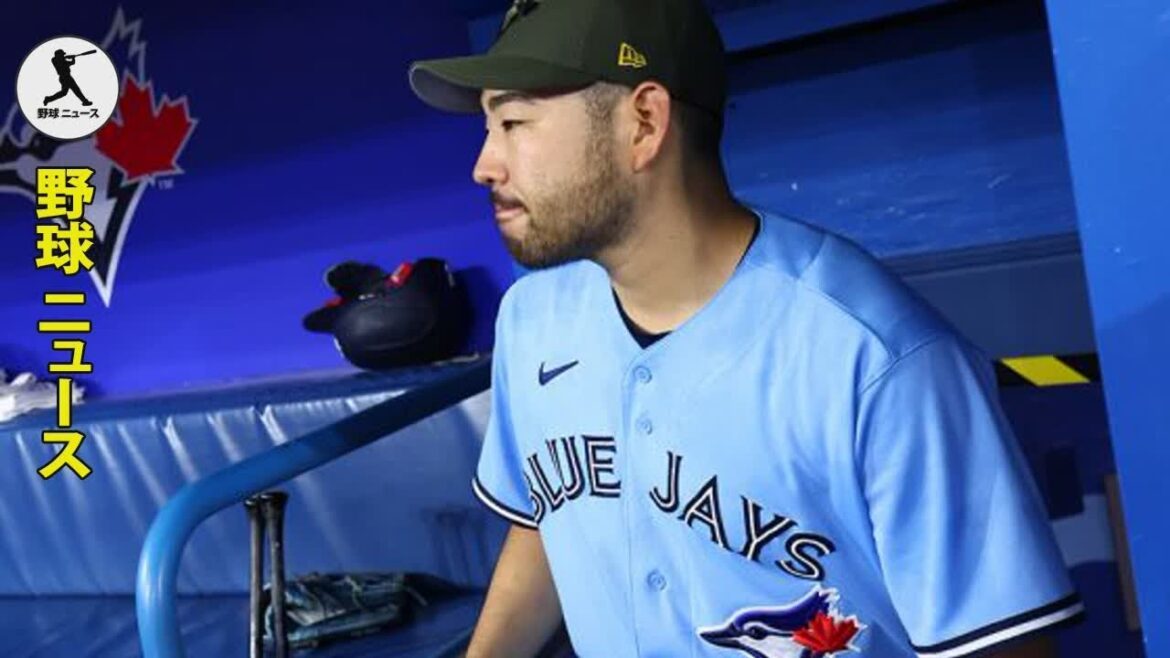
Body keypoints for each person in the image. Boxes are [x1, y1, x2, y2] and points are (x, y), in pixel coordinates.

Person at [407, 0, 1084, 656]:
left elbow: (1005, 646)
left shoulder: (875, 356)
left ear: (643, 123)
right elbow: (549, 524)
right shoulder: (533, 319)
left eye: (515, 124)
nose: (485, 164)